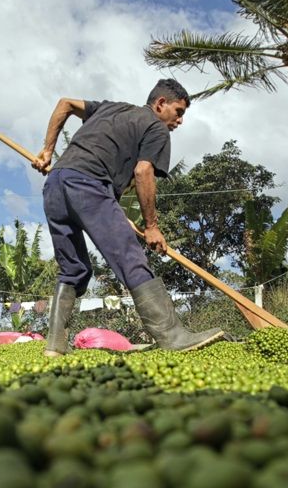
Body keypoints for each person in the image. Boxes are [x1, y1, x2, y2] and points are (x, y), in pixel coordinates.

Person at [36, 78, 224, 356]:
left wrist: (48, 150)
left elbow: (65, 103)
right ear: (161, 104)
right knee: (131, 259)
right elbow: (143, 172)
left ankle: (54, 346)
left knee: (74, 269)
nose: (180, 121)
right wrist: (151, 226)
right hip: (89, 185)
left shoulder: (112, 108)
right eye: (179, 112)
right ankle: (172, 335)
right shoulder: (156, 129)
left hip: (56, 185)